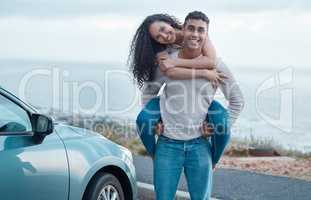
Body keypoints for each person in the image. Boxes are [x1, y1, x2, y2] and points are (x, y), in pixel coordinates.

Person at [131, 11, 244, 200]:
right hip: (167, 146)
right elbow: (148, 94)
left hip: (200, 146)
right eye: (191, 28)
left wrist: (219, 129)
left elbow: (237, 101)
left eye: (201, 30)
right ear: (183, 29)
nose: (195, 34)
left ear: (207, 35)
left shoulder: (216, 66)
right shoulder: (166, 63)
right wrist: (156, 120)